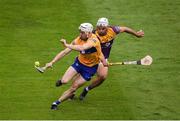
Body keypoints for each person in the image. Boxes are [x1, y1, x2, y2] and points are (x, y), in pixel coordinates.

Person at [79, 17, 144, 100]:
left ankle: (86, 90)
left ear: (108, 27)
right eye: (99, 28)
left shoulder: (113, 30)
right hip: (91, 58)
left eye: (103, 28)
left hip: (103, 59)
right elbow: (81, 42)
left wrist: (136, 34)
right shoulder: (92, 34)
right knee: (80, 77)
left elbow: (124, 29)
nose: (101, 30)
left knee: (103, 77)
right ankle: (71, 92)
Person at [46, 23, 108, 110]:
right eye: (80, 32)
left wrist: (103, 61)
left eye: (82, 32)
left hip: (90, 69)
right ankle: (62, 81)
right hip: (79, 63)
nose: (80, 34)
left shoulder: (93, 40)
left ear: (88, 33)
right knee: (64, 81)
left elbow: (83, 48)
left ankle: (56, 102)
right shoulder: (78, 39)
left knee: (74, 87)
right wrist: (52, 62)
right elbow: (65, 52)